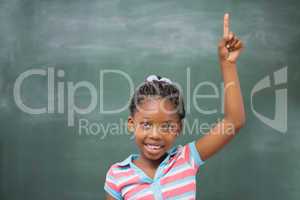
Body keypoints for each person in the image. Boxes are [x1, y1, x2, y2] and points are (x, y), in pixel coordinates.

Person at [104, 13, 246, 200]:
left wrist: (227, 65)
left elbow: (234, 121)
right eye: (146, 124)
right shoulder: (117, 176)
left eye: (167, 126)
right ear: (131, 123)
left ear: (178, 128)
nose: (155, 135)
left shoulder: (186, 159)